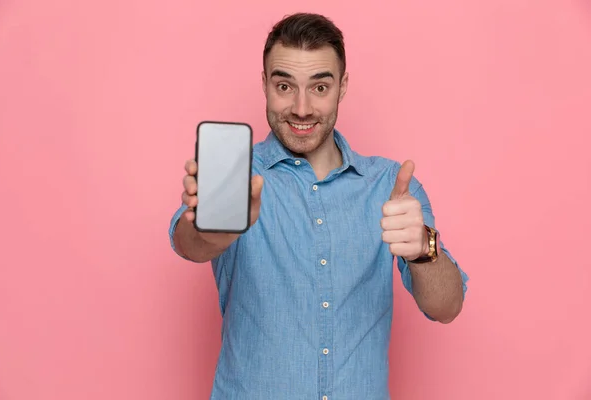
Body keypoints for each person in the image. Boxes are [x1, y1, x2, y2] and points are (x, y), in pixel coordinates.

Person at [169, 12, 469, 400]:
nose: (302, 108)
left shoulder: (390, 187)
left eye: (320, 87)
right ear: (264, 84)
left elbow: (447, 306)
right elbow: (189, 243)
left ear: (342, 86)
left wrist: (423, 250)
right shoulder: (236, 178)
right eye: (284, 85)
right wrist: (218, 228)